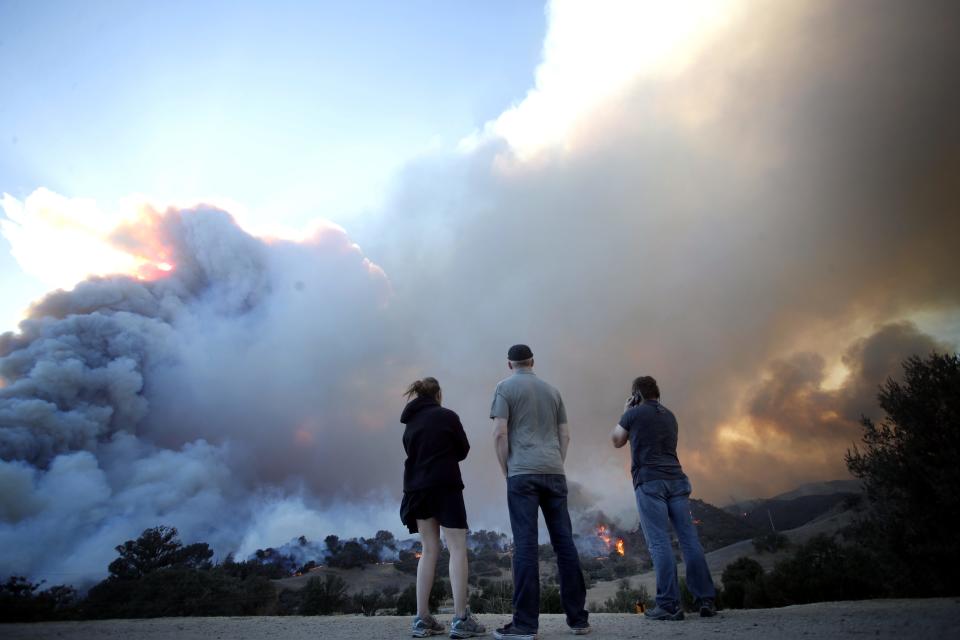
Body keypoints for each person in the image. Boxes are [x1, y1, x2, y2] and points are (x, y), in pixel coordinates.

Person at [490, 345, 590, 640]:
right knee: (565, 545)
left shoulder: (504, 388)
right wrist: (557, 462)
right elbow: (566, 434)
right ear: (532, 362)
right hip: (554, 471)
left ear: (509, 364)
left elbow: (499, 432)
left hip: (522, 473)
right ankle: (578, 620)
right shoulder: (553, 391)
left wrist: (506, 470)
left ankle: (525, 625)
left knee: (526, 548)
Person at [610, 375, 717, 620]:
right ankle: (706, 601)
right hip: (677, 480)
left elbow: (617, 440)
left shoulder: (633, 414)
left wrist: (625, 411)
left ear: (637, 395)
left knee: (659, 543)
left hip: (650, 482)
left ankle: (669, 605)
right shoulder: (670, 416)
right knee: (690, 541)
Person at [400, 377, 487, 638]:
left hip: (416, 489)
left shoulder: (410, 422)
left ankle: (422, 618)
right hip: (446, 487)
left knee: (428, 550)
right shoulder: (448, 416)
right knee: (457, 548)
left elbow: (409, 451)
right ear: (438, 394)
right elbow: (463, 449)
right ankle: (461, 619)